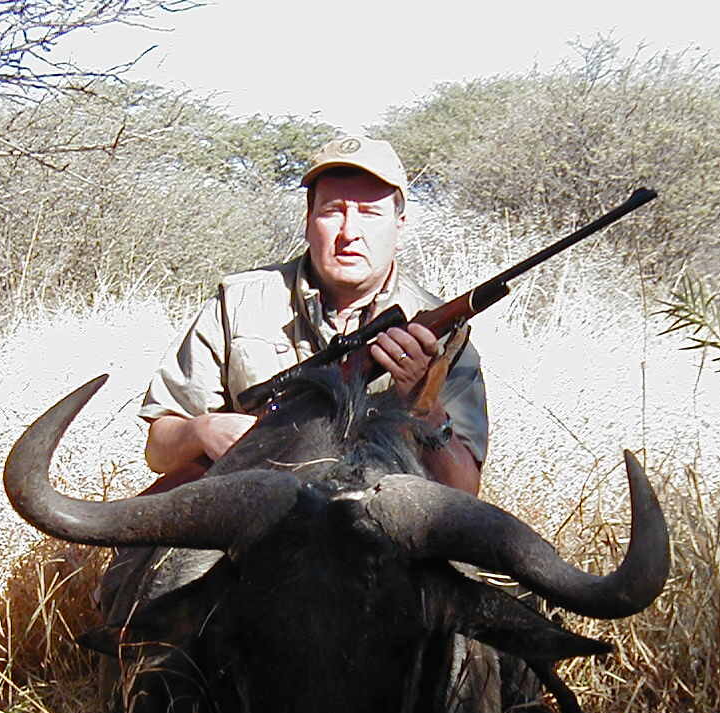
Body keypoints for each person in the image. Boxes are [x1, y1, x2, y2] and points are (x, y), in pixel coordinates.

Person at [138, 136, 488, 494]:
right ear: (308, 221)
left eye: (370, 214)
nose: (349, 233)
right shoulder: (239, 302)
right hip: (244, 507)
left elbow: (463, 490)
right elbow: (159, 452)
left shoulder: (443, 336)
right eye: (333, 210)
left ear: (399, 227)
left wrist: (423, 404)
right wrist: (204, 430)